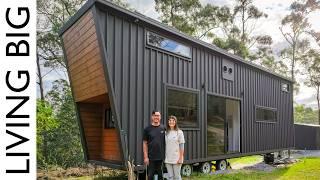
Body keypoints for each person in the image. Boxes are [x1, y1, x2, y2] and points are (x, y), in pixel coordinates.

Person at [143, 110, 165, 180]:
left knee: (160, 176)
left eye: (158, 116)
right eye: (155, 115)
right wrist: (146, 157)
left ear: (160, 117)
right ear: (152, 117)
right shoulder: (147, 129)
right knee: (150, 176)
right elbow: (144, 143)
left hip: (161, 157)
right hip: (151, 158)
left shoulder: (163, 128)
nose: (156, 117)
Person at [165, 115, 185, 180]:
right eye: (170, 120)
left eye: (173, 121)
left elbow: (182, 146)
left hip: (176, 158)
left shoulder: (179, 132)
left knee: (177, 177)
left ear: (175, 122)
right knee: (170, 177)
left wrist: (181, 158)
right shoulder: (166, 132)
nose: (171, 122)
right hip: (168, 158)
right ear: (168, 122)